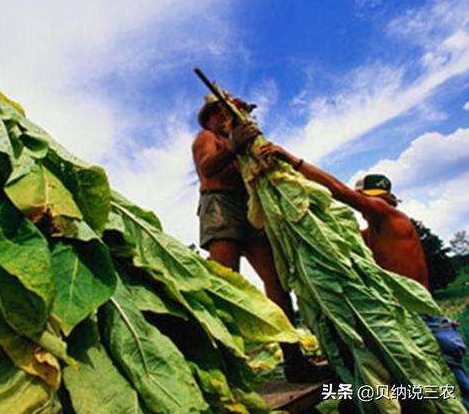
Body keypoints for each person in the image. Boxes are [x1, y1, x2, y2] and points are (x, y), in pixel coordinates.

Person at [260, 142, 469, 409]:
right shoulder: (365, 238)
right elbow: (328, 245)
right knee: (412, 401)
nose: (376, 203)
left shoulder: (392, 218)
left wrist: (291, 161)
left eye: (379, 197)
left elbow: (339, 192)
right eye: (370, 197)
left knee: (448, 400)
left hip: (424, 327)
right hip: (398, 330)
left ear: (390, 199)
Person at [192, 94, 331, 383]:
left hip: (250, 208)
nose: (223, 117)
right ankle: (223, 369)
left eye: (227, 111)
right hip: (220, 207)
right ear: (208, 118)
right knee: (225, 284)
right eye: (216, 112)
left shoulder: (243, 141)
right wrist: (233, 143)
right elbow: (207, 168)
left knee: (277, 282)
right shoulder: (207, 137)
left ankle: (294, 360)